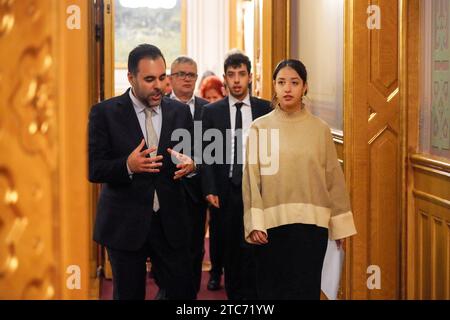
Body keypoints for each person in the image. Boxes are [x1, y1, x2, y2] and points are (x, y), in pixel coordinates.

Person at [88, 44, 197, 300]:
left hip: (171, 221)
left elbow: (194, 157)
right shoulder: (104, 113)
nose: (158, 85)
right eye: (149, 79)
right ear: (130, 78)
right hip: (125, 223)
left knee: (181, 292)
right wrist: (128, 165)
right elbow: (94, 168)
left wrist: (192, 165)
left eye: (162, 77)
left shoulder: (180, 112)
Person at [242, 59, 357, 300]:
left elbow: (333, 179)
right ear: (274, 86)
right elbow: (251, 180)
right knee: (271, 293)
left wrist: (340, 225)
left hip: (312, 229)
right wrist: (255, 223)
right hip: (271, 229)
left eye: (294, 82)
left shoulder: (320, 129)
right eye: (282, 82)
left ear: (305, 87)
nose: (287, 88)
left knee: (305, 292)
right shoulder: (259, 128)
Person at [201, 51, 272, 300]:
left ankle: (254, 297)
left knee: (255, 249)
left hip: (257, 190)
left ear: (250, 77)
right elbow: (206, 155)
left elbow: (272, 153)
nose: (237, 80)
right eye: (231, 75)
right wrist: (209, 187)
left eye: (242, 74)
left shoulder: (266, 109)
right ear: (224, 79)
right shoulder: (212, 112)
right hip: (225, 189)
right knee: (229, 250)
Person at [167, 56, 209, 296]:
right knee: (166, 250)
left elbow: (216, 153)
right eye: (180, 74)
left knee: (194, 250)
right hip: (165, 189)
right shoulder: (158, 105)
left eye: (191, 75)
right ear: (170, 78)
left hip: (196, 191)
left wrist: (196, 166)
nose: (186, 78)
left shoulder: (208, 109)